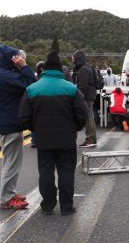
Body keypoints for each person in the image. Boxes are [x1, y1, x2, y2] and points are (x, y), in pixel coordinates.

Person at [19, 51, 88, 215]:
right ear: (60, 70)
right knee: (66, 172)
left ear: (43, 70)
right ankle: (66, 206)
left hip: (43, 139)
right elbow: (83, 114)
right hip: (66, 139)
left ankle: (47, 206)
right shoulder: (72, 89)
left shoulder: (31, 89)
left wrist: (35, 129)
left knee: (45, 172)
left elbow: (23, 117)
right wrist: (74, 129)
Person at [0, 45, 36, 210]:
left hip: (5, 122)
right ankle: (7, 198)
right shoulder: (4, 75)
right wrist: (24, 67)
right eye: (18, 60)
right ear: (13, 59)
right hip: (9, 124)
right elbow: (31, 85)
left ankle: (10, 192)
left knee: (11, 161)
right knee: (11, 163)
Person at [71, 50, 98, 147]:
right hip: (90, 95)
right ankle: (92, 138)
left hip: (86, 97)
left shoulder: (83, 69)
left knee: (87, 117)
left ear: (78, 59)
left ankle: (90, 139)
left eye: (74, 59)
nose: (73, 61)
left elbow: (83, 86)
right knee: (90, 116)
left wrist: (79, 98)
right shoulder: (88, 67)